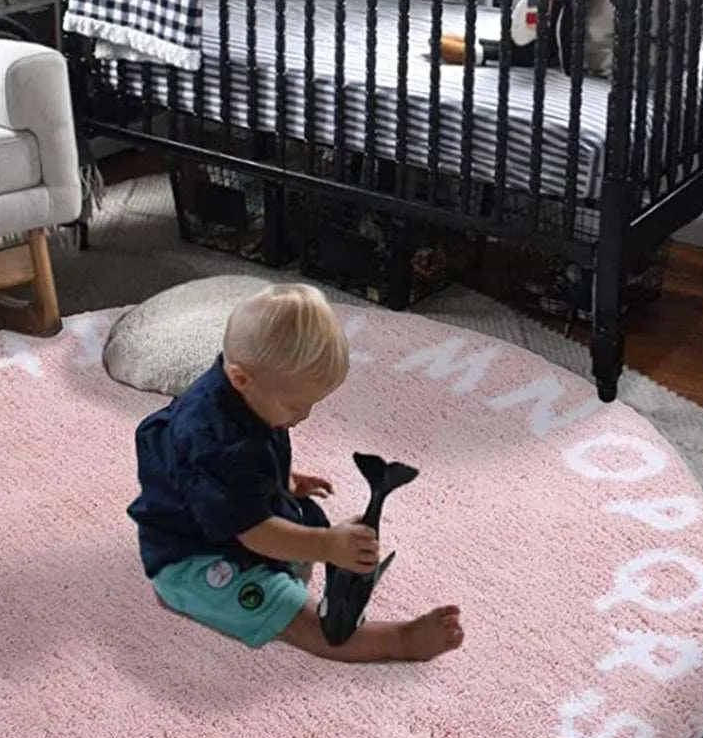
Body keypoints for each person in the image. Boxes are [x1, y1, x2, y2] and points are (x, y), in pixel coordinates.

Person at [127, 283, 463, 662]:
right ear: (241, 379)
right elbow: (252, 529)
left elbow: (236, 476)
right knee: (288, 610)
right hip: (195, 559)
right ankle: (401, 641)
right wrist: (325, 545)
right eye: (295, 407)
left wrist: (284, 480)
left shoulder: (240, 394)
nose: (303, 418)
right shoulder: (216, 444)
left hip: (223, 517)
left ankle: (321, 547)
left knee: (309, 521)